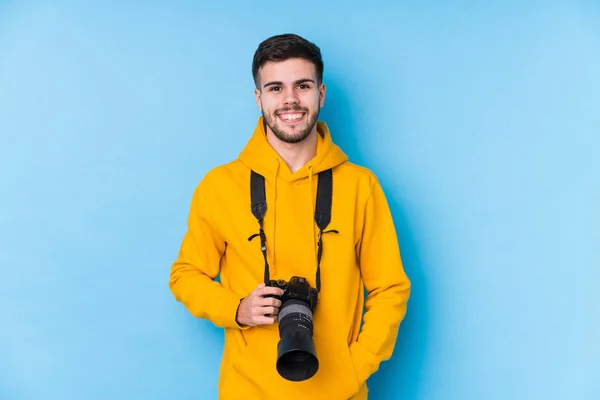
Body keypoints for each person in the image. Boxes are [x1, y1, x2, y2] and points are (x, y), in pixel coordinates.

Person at [169, 33, 411, 400]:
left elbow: (390, 288)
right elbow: (185, 275)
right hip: (246, 390)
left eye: (303, 85)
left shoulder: (361, 186)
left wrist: (355, 367)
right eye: (275, 88)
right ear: (258, 97)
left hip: (340, 391)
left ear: (321, 93)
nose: (290, 100)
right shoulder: (219, 186)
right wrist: (237, 308)